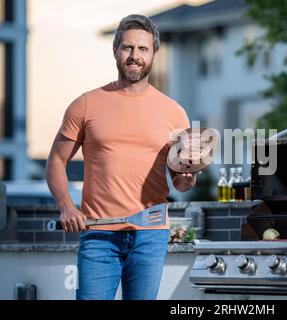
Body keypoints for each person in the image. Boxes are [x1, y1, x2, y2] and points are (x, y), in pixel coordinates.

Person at [45, 14, 196, 300]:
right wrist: (66, 206)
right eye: (127, 48)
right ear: (115, 50)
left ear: (154, 54)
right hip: (99, 235)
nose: (134, 56)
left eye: (142, 49)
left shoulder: (174, 112)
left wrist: (187, 178)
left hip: (150, 235)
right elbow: (55, 162)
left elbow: (181, 182)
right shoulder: (85, 104)